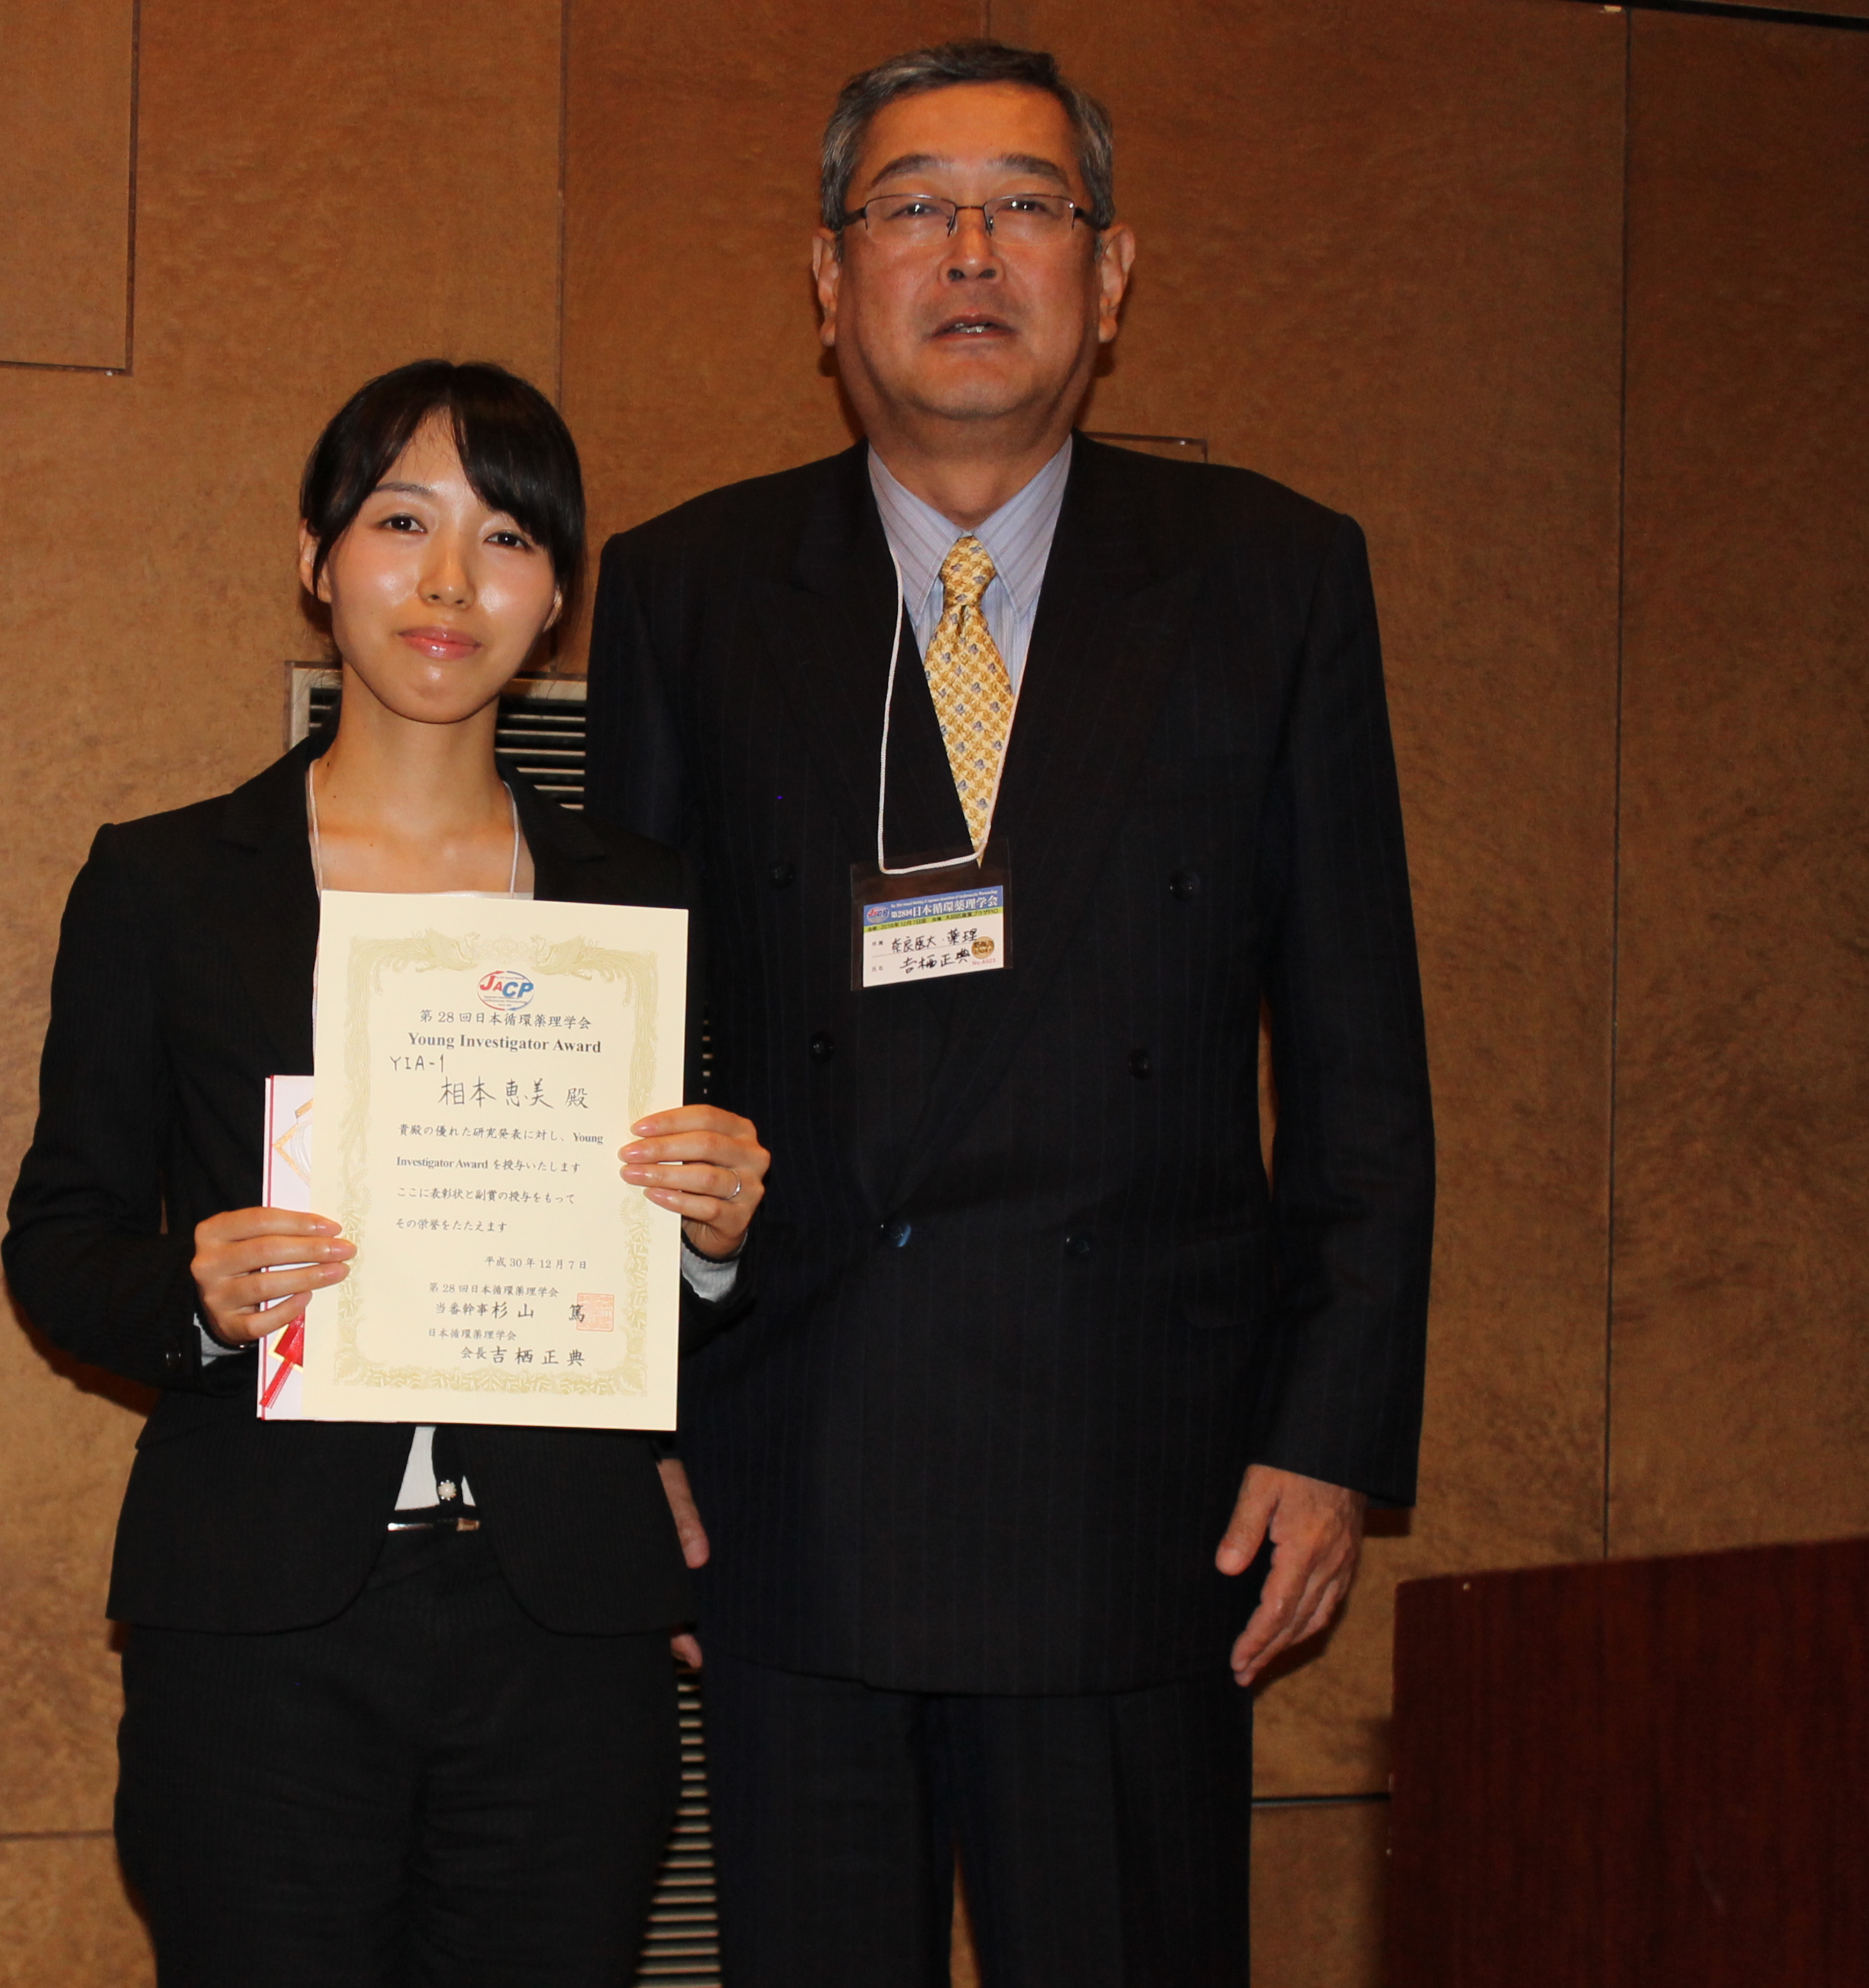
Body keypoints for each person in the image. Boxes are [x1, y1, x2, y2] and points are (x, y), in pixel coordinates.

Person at [585, 41, 1435, 1987]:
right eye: (912, 206)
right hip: (792, 1483)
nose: (970, 250)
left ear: (1110, 274)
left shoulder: (1272, 580)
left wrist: (1329, 1433)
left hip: (1142, 1493)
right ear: (829, 279)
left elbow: (1361, 1057)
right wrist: (621, 1433)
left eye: (1026, 206)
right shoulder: (689, 589)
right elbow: (625, 1047)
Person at [3, 358, 772, 1988]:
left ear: (554, 598)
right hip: (262, 1616)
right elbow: (59, 1237)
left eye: (506, 538)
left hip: (564, 1621)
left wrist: (709, 1241)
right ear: (318, 558)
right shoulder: (165, 884)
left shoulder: (638, 901)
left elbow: (668, 1292)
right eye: (402, 523)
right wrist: (197, 1293)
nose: (448, 581)